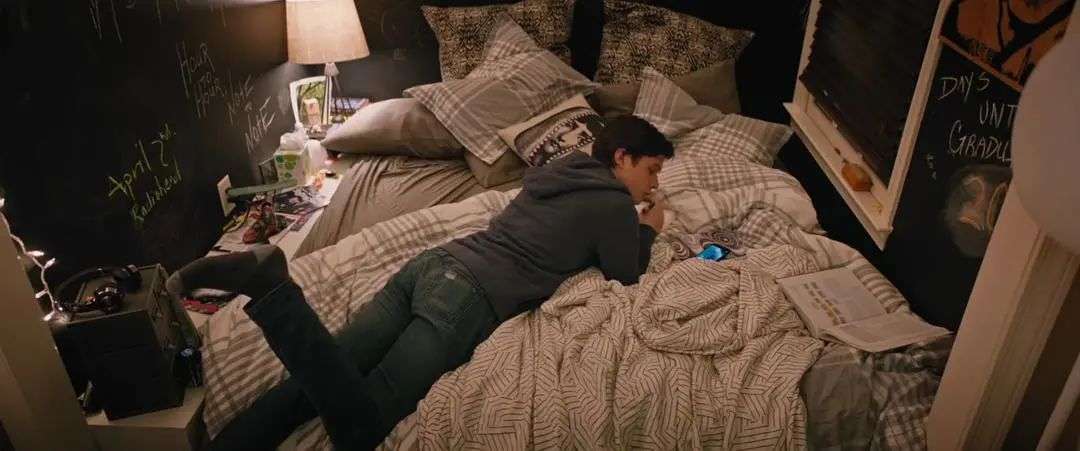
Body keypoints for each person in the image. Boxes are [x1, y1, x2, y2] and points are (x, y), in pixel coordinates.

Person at [169, 115, 675, 450]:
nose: (653, 184)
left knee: (311, 388)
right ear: (621, 158)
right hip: (465, 299)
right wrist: (648, 229)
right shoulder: (614, 204)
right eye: (651, 170)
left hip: (430, 266)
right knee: (362, 427)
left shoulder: (559, 170)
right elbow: (624, 276)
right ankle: (275, 292)